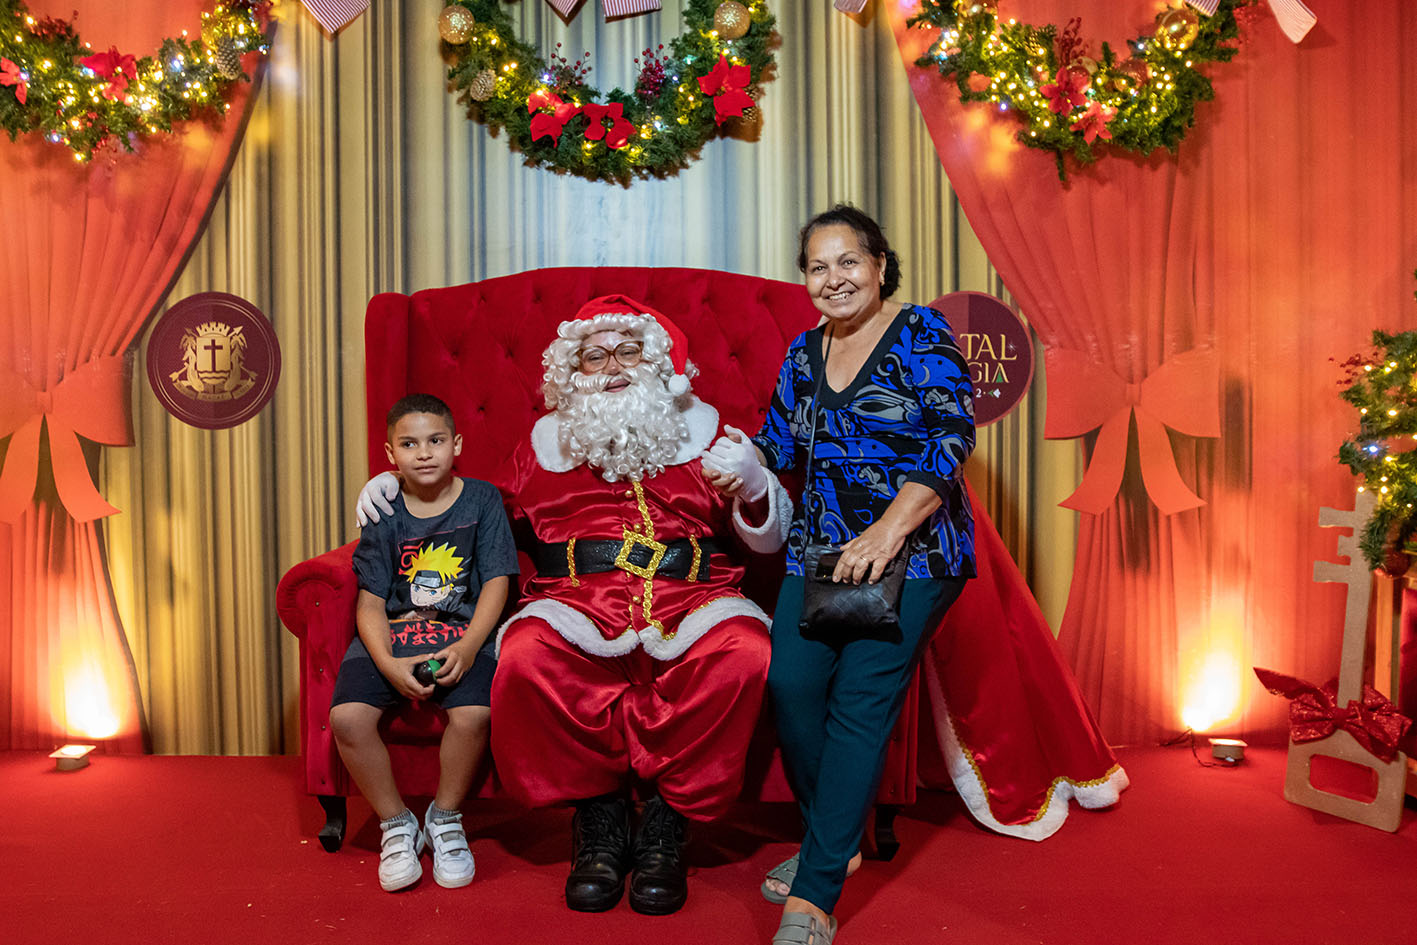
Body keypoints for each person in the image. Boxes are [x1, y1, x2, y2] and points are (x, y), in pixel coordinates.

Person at [357, 295, 793, 915]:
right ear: (572, 371)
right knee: (529, 656)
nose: (611, 365)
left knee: (745, 652)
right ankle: (600, 823)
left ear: (658, 361)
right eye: (593, 355)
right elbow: (476, 510)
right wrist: (403, 489)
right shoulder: (543, 446)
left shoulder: (705, 437)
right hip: (575, 601)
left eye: (628, 350)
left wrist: (755, 484)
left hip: (695, 596)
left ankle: (667, 827)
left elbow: (768, 541)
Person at [703, 205, 975, 945]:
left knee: (859, 701)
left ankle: (815, 895)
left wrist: (889, 529)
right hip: (821, 555)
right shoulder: (801, 352)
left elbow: (952, 438)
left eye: (847, 261)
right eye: (818, 267)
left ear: (880, 264)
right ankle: (838, 842)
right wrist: (734, 463)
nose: (834, 279)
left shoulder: (920, 333)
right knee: (789, 684)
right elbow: (775, 444)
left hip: (915, 554)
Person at [331, 393, 518, 893]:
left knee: (474, 714)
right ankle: (397, 824)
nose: (424, 452)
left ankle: (446, 816)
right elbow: (370, 600)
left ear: (456, 444)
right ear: (391, 455)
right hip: (396, 633)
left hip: (460, 632)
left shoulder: (482, 500)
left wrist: (471, 645)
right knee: (347, 718)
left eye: (436, 440)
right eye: (409, 444)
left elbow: (497, 580)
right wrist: (389, 662)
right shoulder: (384, 509)